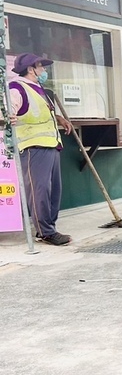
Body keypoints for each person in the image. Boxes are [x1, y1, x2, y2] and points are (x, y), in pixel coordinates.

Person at [6, 53, 74, 245]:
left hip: (51, 145)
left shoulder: (38, 88)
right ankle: (45, 231)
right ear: (30, 69)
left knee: (54, 191)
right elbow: (6, 112)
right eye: (41, 66)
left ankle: (49, 228)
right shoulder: (16, 88)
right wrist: (7, 118)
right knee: (40, 190)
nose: (44, 70)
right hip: (33, 147)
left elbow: (42, 113)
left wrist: (59, 118)